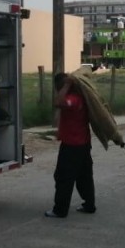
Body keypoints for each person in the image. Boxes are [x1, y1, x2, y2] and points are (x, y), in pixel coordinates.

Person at [45, 73, 96, 218]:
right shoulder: (83, 98)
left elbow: (58, 103)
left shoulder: (73, 100)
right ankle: (89, 205)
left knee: (63, 178)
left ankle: (60, 210)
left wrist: (66, 85)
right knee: (84, 177)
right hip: (84, 144)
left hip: (72, 146)